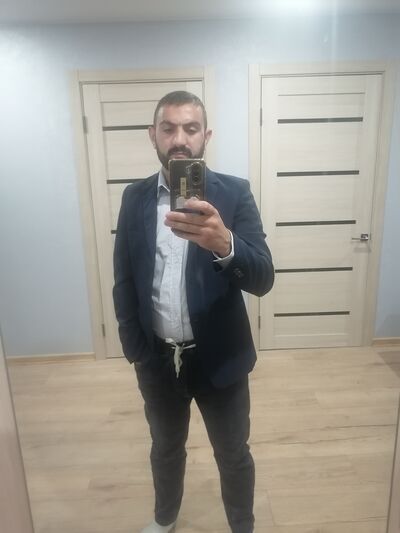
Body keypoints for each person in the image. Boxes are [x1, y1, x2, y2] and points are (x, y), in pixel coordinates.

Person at [113, 91, 274, 533]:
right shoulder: (134, 198)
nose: (179, 139)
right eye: (168, 128)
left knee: (233, 452)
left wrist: (225, 243)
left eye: (190, 128)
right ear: (153, 135)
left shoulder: (234, 193)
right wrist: (135, 349)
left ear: (206, 135)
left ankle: (242, 526)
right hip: (157, 359)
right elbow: (124, 277)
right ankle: (165, 518)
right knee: (165, 448)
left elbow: (263, 278)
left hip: (221, 357)